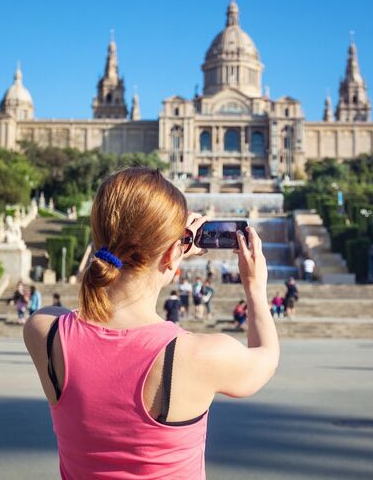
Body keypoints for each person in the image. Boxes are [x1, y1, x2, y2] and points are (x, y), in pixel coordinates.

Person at [23, 167, 279, 478]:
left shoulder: (43, 331)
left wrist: (168, 251)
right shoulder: (199, 355)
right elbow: (266, 358)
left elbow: (88, 311)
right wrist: (255, 287)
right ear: (172, 253)